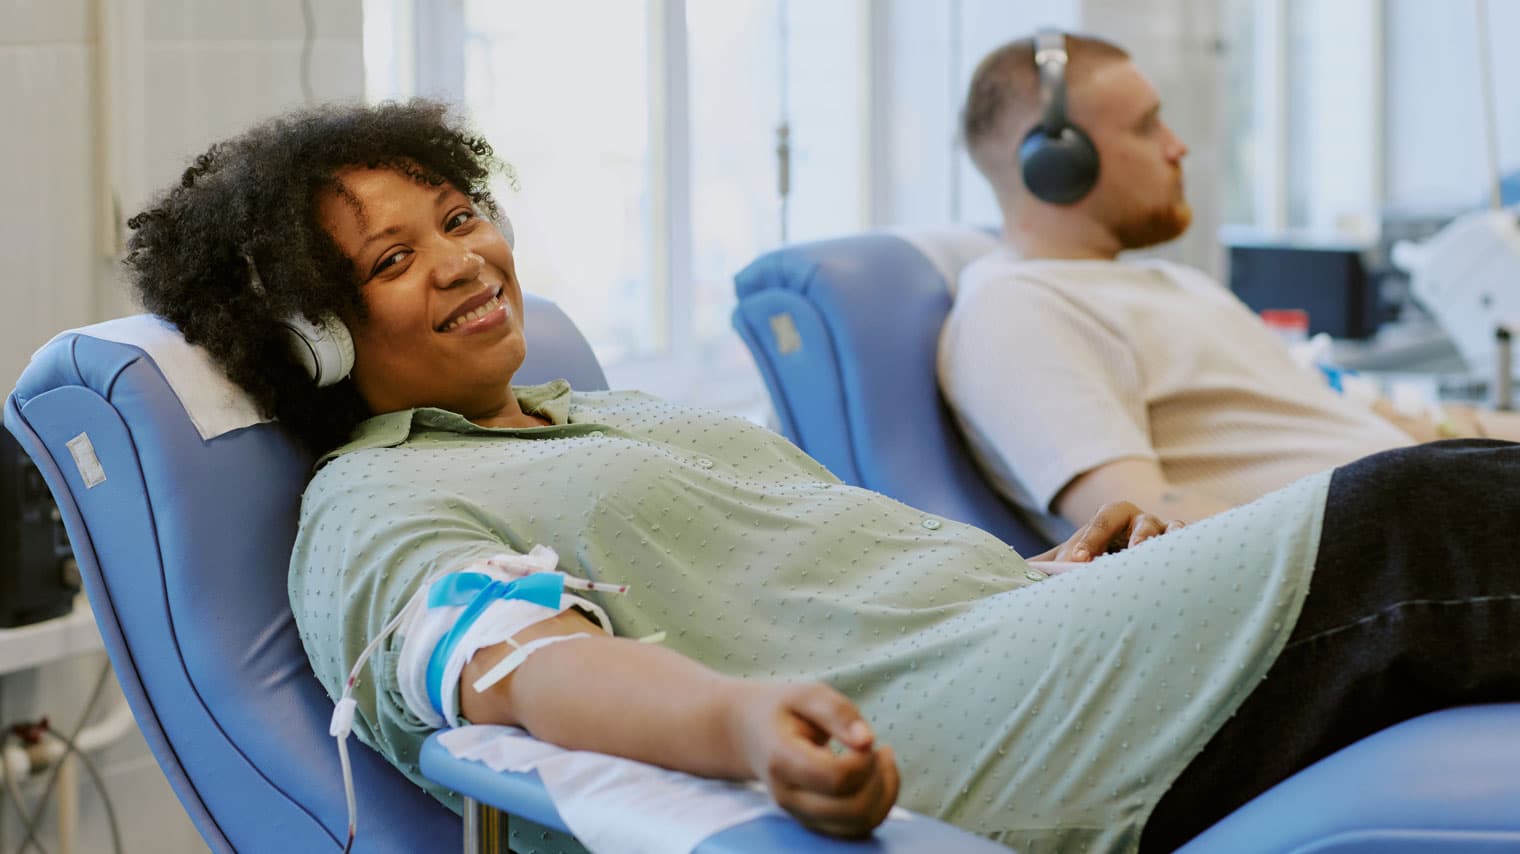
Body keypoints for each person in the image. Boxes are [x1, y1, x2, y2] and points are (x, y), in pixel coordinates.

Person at [124, 100, 1520, 854]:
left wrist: (1045, 571)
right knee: (1419, 520)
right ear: (311, 336)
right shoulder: (375, 507)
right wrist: (740, 724)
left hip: (1032, 644)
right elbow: (523, 670)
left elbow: (826, 586)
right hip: (961, 747)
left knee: (1442, 502)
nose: (462, 261)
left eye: (458, 216)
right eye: (392, 260)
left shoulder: (604, 416)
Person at [941, 30, 1520, 542]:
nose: (1177, 146)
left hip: (1430, 514)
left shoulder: (1174, 284)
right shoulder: (1016, 307)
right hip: (1382, 557)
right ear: (1058, 164)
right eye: (1147, 127)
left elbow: (1366, 422)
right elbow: (1136, 523)